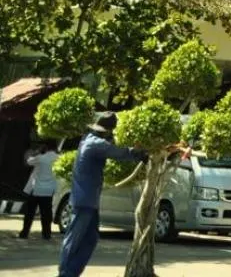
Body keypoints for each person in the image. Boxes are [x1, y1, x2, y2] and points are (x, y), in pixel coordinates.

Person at [58, 112, 149, 277]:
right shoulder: (95, 144)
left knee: (90, 238)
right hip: (84, 200)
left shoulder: (87, 140)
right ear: (107, 131)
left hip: (88, 199)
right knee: (74, 239)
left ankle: (72, 272)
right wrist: (139, 153)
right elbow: (118, 152)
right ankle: (65, 273)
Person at [19, 140, 59, 240]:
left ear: (45, 147)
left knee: (30, 213)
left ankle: (24, 232)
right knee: (46, 213)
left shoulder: (41, 158)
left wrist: (37, 151)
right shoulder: (58, 159)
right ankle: (46, 234)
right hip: (49, 190)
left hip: (36, 189)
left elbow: (28, 161)